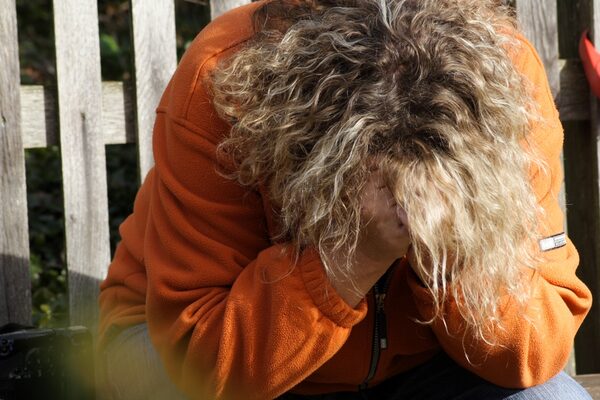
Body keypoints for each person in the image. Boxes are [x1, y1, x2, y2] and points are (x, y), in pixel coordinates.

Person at [98, 1, 593, 399]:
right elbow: (201, 366)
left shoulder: (502, 71)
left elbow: (535, 350)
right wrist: (353, 255)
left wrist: (450, 247)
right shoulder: (227, 75)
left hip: (420, 367)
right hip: (190, 348)